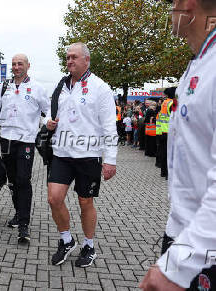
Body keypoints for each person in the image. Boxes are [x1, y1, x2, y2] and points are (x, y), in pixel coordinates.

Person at [139, 0, 216, 290]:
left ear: (188, 6)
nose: (170, 12)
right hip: (184, 233)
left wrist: (177, 266)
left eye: (172, 4)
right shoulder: (199, 62)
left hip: (202, 246)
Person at [45, 43, 117, 267]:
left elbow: (109, 127)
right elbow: (50, 111)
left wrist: (110, 160)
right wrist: (47, 121)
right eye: (67, 58)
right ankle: (66, 240)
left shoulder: (100, 88)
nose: (69, 61)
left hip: (88, 155)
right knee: (54, 198)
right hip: (62, 152)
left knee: (85, 202)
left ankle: (89, 245)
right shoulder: (61, 86)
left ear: (87, 60)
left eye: (74, 57)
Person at [0, 53, 50, 243]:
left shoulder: (37, 88)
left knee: (23, 179)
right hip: (6, 139)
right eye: (13, 64)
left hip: (26, 140)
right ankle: (18, 213)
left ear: (28, 66)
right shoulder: (3, 87)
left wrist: (47, 123)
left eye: (20, 64)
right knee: (12, 180)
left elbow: (47, 110)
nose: (16, 67)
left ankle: (24, 223)